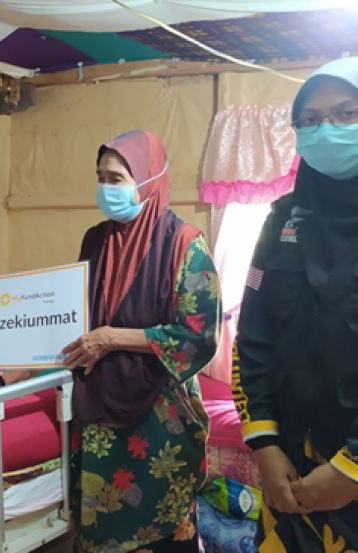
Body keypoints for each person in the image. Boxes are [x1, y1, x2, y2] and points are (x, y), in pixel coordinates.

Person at [60, 131, 220, 552]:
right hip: (96, 409)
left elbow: (200, 335)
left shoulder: (184, 245)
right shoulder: (95, 240)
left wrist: (113, 339)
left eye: (116, 178)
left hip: (160, 417)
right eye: (100, 177)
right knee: (100, 525)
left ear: (149, 180)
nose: (105, 188)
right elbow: (73, 314)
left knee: (161, 526)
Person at [234, 57, 358, 552]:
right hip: (289, 475)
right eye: (309, 120)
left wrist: (353, 467)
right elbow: (253, 336)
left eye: (347, 113)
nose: (326, 130)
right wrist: (263, 444)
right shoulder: (282, 221)